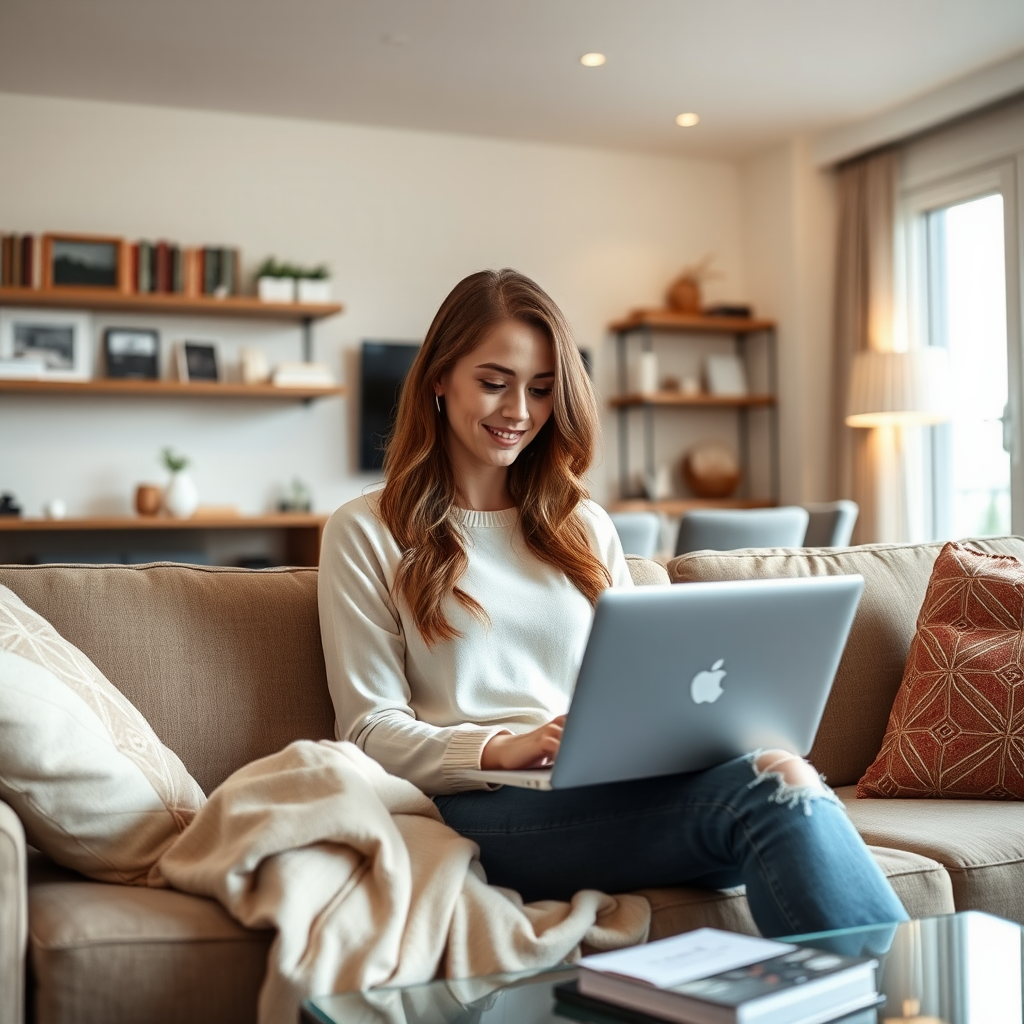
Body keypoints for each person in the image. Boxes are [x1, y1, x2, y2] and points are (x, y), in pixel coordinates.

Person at [318, 268, 908, 938]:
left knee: (777, 771)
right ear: (438, 379)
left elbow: (643, 685)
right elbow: (366, 732)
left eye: (542, 389)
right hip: (481, 810)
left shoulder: (583, 525)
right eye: (493, 381)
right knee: (770, 791)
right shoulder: (365, 530)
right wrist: (499, 749)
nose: (519, 411)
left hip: (610, 795)